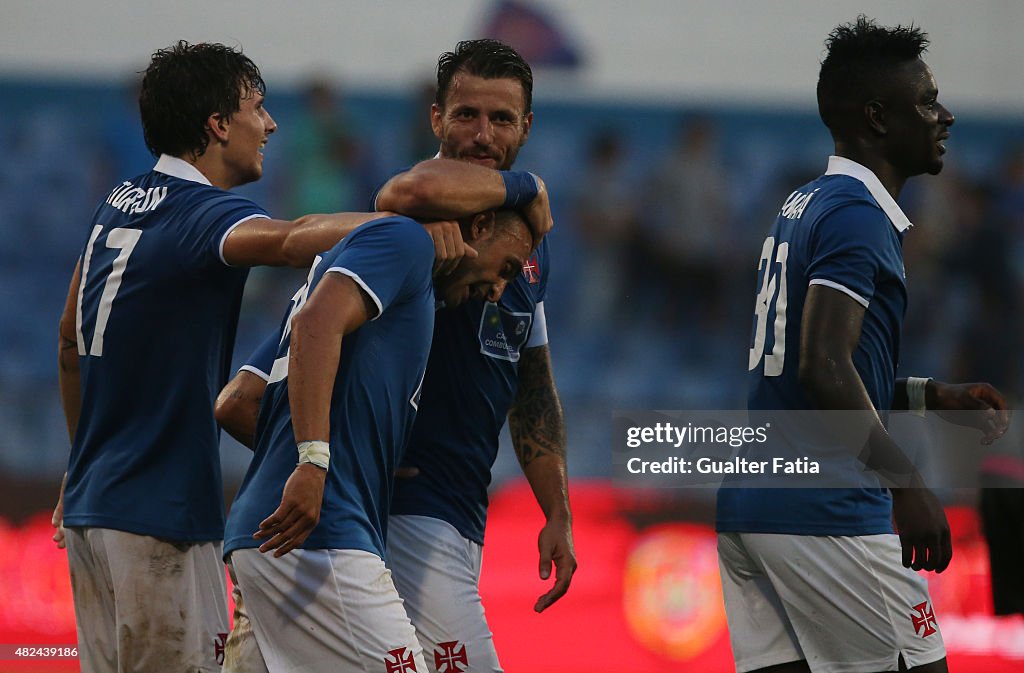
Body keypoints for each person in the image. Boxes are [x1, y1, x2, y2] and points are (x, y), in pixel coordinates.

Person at [217, 38, 575, 673]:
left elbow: (533, 385)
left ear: (527, 125)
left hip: (440, 516)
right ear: (435, 119)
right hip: (403, 521)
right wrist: (328, 462)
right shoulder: (417, 223)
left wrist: (558, 509)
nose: (483, 133)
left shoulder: (525, 251)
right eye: (466, 114)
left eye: (501, 119)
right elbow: (403, 192)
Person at [53, 41, 396, 673]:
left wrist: (83, 466)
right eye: (257, 108)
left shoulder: (116, 204)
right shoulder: (204, 214)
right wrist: (401, 229)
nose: (268, 125)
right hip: (159, 517)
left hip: (89, 512)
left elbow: (70, 340)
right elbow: (293, 240)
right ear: (217, 124)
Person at [716, 17, 1009, 673]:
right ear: (878, 118)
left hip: (752, 505)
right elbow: (823, 366)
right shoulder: (857, 214)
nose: (945, 116)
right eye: (928, 101)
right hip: (827, 510)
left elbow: (807, 363)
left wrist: (929, 393)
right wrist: (907, 485)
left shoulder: (806, 202)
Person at [223, 207, 534, 673]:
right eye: (504, 267)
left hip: (262, 535)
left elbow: (236, 401)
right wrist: (313, 462)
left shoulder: (356, 280)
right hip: (320, 538)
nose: (497, 289)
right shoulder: (405, 241)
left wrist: (352, 457)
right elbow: (315, 325)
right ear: (480, 227)